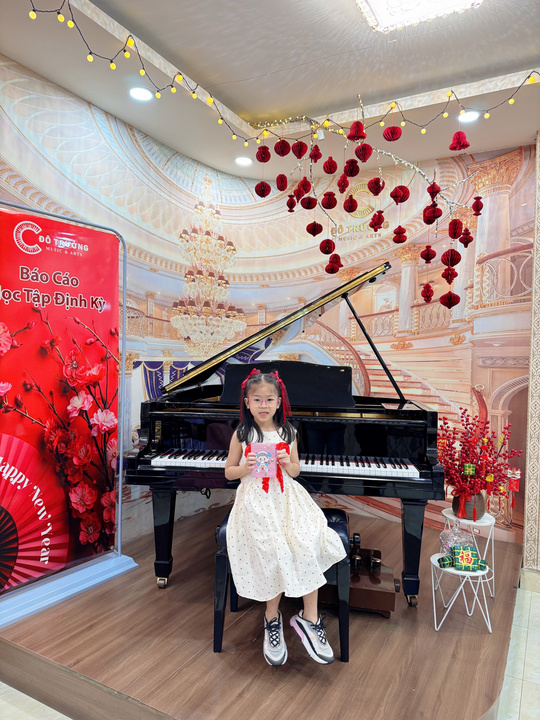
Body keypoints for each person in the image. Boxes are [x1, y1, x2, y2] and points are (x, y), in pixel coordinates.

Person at [224, 368, 347, 666]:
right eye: (257, 399)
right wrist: (245, 468)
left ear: (278, 402)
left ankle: (310, 618)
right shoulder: (242, 434)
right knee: (274, 550)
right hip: (255, 503)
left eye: (269, 399)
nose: (263, 405)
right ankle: (271, 617)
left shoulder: (288, 432)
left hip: (286, 499)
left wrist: (285, 463)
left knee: (306, 542)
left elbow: (295, 470)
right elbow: (228, 472)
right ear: (247, 403)